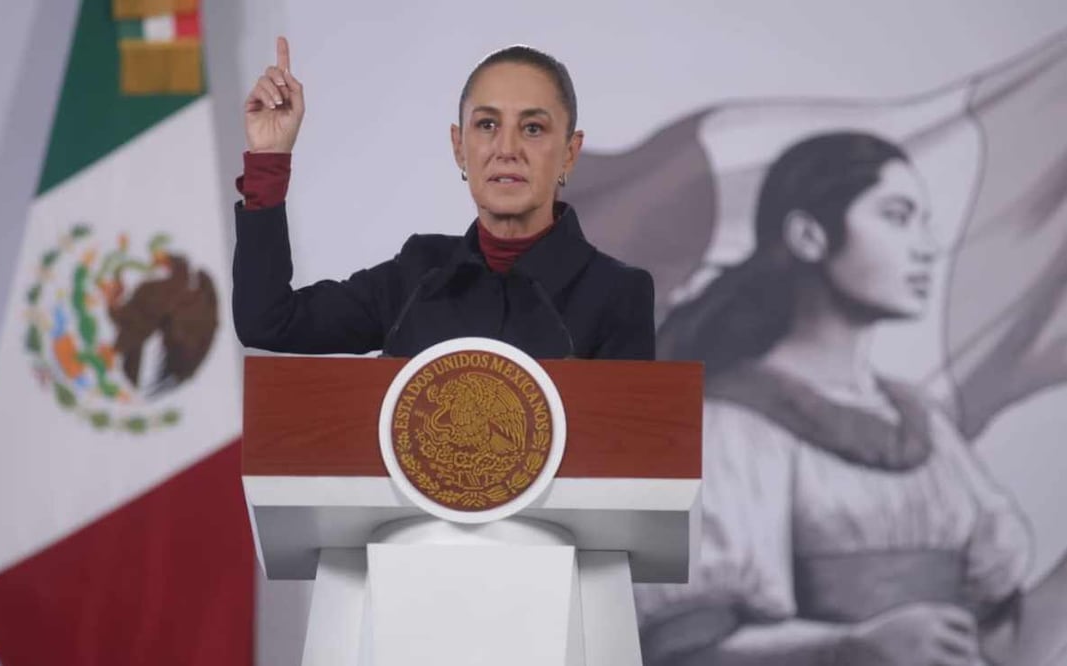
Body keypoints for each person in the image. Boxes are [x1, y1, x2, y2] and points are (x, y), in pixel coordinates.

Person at [635, 132, 1067, 665]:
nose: (926, 246)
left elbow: (1002, 648)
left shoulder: (924, 424)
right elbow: (683, 651)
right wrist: (851, 646)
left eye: (924, 221)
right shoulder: (729, 426)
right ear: (809, 236)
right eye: (897, 216)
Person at [231, 38, 655, 360]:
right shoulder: (417, 274)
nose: (507, 148)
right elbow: (268, 322)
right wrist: (269, 159)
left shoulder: (616, 294)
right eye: (487, 125)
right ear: (458, 147)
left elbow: (629, 446)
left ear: (569, 153)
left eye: (532, 128)